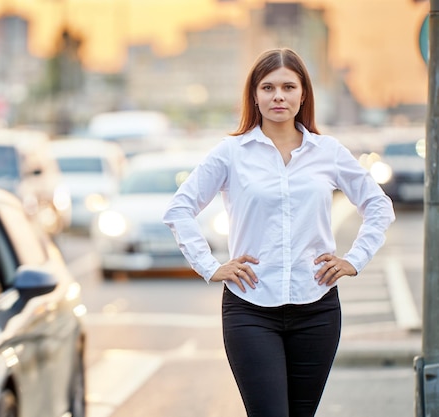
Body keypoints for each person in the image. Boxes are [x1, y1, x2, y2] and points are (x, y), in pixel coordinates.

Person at [162, 48, 395, 417]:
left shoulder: (328, 152)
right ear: (255, 95)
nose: (278, 96)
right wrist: (210, 266)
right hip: (250, 310)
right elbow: (179, 209)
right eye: (268, 87)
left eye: (288, 86)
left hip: (317, 309)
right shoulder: (231, 153)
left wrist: (354, 260)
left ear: (303, 94)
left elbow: (379, 205)